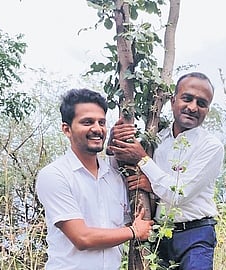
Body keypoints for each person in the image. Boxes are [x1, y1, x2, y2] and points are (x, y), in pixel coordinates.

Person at [108, 72, 225, 269]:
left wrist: (144, 162)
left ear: (207, 110)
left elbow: (179, 193)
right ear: (173, 101)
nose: (192, 107)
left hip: (196, 236)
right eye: (187, 98)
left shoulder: (211, 147)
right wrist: (114, 143)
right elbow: (121, 173)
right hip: (159, 236)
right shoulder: (156, 140)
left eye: (202, 103)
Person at [36, 89, 153, 270]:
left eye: (102, 122)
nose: (97, 129)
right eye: (87, 122)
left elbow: (129, 221)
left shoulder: (114, 177)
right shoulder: (54, 175)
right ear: (66, 129)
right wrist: (133, 232)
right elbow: (82, 238)